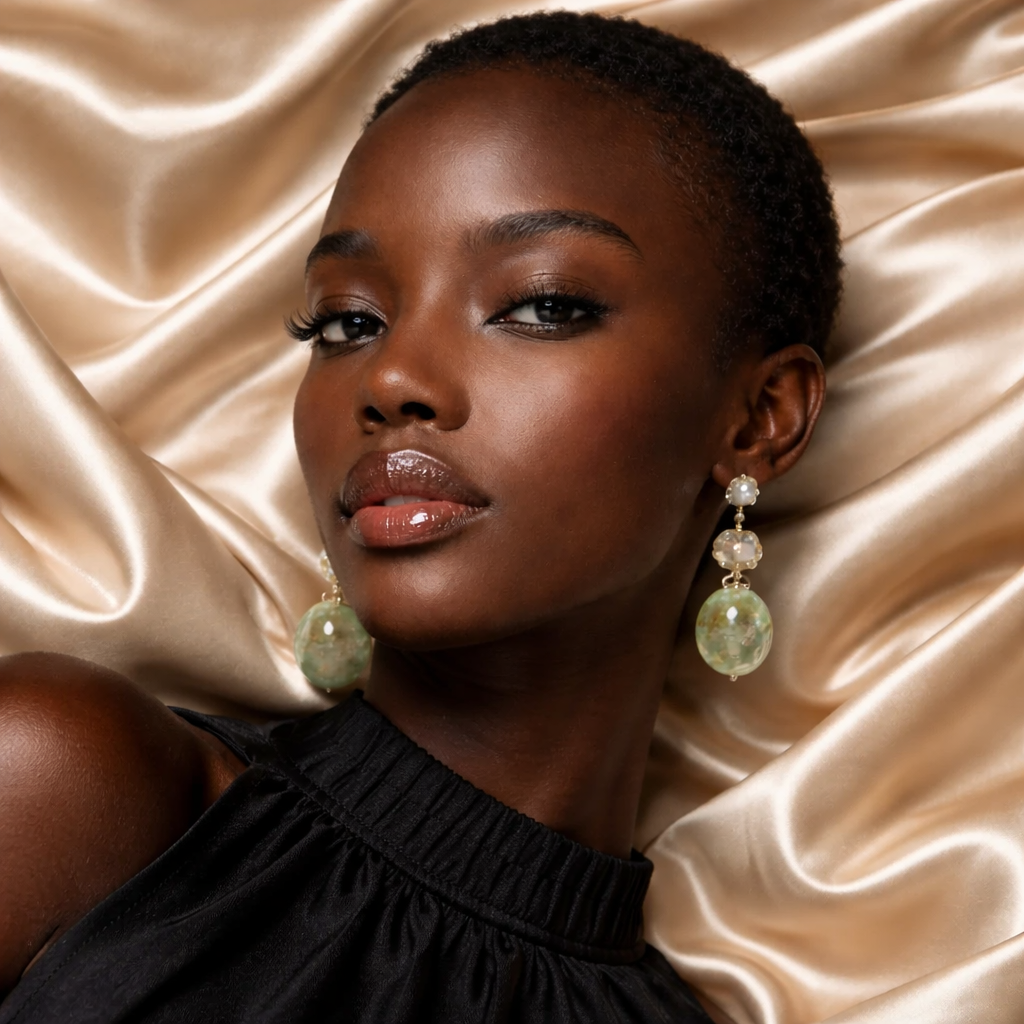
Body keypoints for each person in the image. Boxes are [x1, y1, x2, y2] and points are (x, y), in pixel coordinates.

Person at [0, 11, 840, 1023]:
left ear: (759, 420)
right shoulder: (71, 788)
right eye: (347, 321)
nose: (391, 375)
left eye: (540, 303)